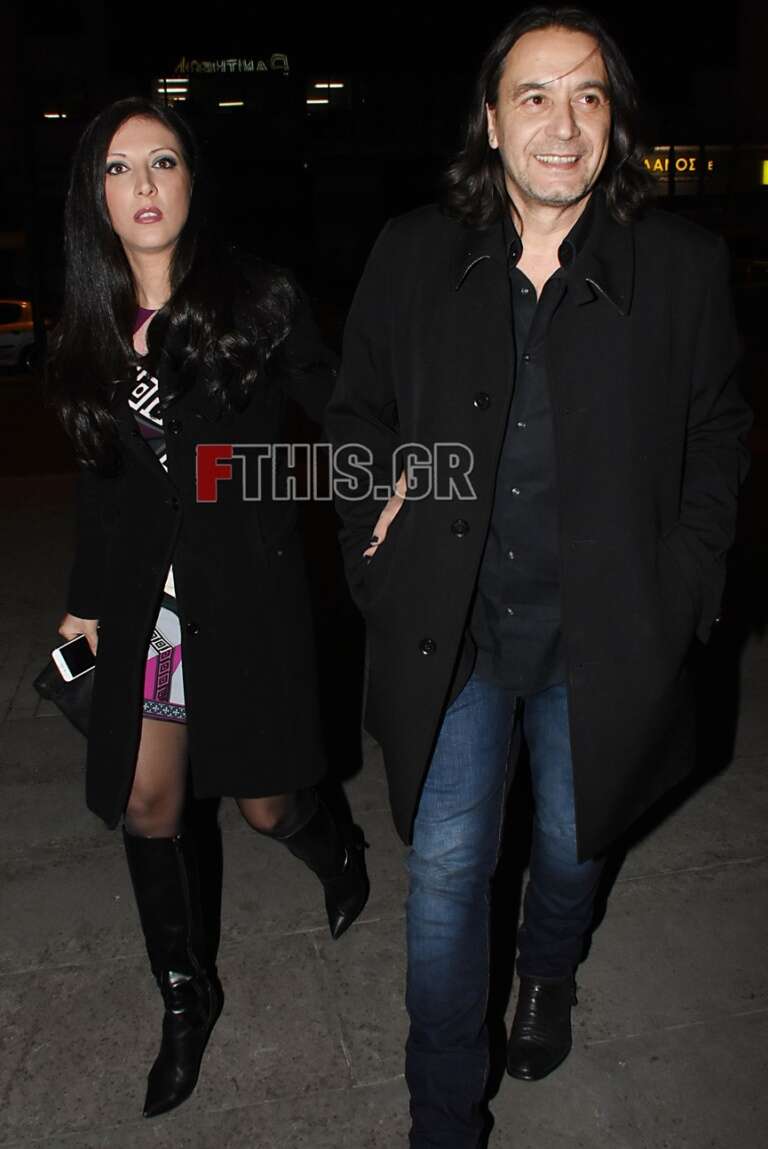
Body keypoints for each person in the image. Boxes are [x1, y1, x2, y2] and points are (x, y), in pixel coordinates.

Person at [325, 7, 751, 1146]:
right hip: (453, 629)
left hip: (607, 638)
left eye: (588, 96)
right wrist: (375, 531)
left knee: (573, 842)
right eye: (534, 96)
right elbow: (355, 414)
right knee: (445, 874)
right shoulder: (413, 253)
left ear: (615, 122)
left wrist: (686, 587)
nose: (563, 125)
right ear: (490, 118)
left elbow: (718, 436)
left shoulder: (684, 267)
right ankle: (442, 1117)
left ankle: (550, 968)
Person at [47, 97, 369, 1120]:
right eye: (117, 168)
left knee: (266, 805)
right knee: (149, 803)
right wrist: (84, 609)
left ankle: (335, 845)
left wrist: (396, 477)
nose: (143, 185)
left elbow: (338, 404)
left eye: (163, 161)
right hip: (148, 607)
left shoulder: (256, 299)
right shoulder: (89, 329)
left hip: (249, 595)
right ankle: (186, 999)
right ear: (94, 196)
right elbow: (102, 483)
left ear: (193, 178)